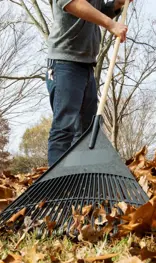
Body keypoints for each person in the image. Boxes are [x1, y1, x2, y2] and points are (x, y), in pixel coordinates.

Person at [46, 0, 132, 166]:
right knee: (65, 127)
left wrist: (117, 4)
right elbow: (73, 3)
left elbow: (98, 10)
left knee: (86, 130)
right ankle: (57, 187)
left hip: (87, 64)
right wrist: (110, 24)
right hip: (64, 63)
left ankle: (80, 182)